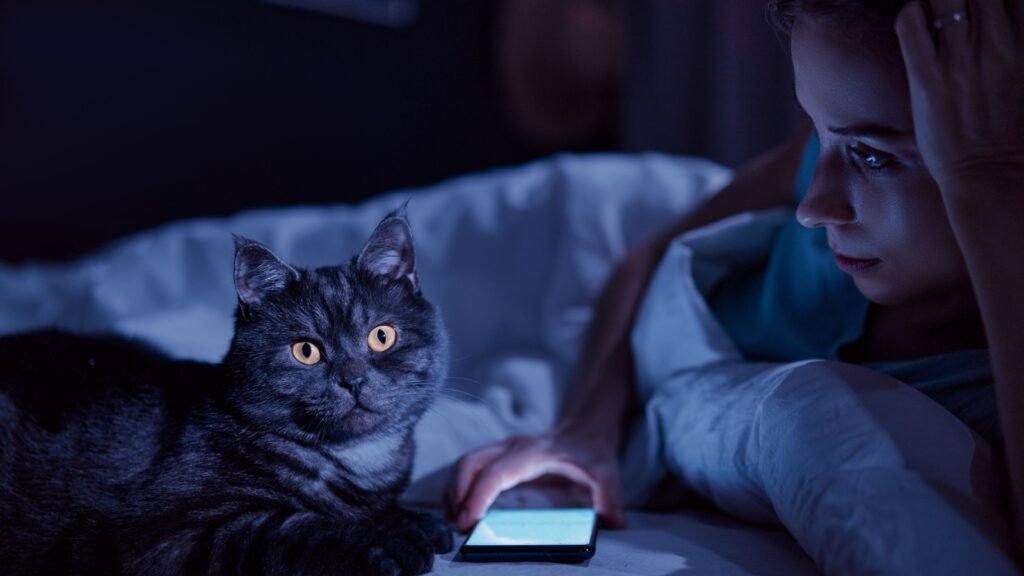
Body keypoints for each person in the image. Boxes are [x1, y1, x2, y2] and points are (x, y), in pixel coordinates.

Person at [447, 0, 1024, 561]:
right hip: (611, 365)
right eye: (818, 131)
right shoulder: (822, 169)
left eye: (875, 158)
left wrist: (986, 185)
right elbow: (652, 254)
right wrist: (585, 428)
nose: (813, 205)